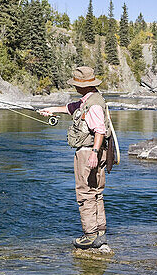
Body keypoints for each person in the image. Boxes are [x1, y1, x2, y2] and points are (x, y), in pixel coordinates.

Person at [38, 66, 113, 249]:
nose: (75, 87)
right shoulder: (90, 99)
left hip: (89, 152)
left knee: (85, 193)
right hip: (95, 151)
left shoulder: (93, 104)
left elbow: (100, 131)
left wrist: (94, 154)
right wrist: (50, 109)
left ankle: (89, 235)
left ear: (84, 86)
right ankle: (100, 232)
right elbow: (71, 108)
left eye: (77, 84)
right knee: (96, 192)